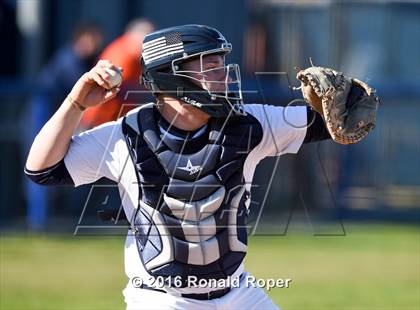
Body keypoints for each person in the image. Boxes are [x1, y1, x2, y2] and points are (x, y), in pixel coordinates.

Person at [25, 25, 333, 309]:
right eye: (211, 67)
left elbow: (333, 125)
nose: (224, 75)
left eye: (222, 65)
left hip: (238, 293)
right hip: (161, 299)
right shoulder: (126, 135)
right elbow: (42, 170)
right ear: (172, 77)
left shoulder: (248, 123)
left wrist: (346, 102)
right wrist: (76, 103)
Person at [24, 22, 103, 230]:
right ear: (81, 38)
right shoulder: (68, 59)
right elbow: (79, 90)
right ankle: (37, 223)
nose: (96, 43)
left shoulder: (85, 60)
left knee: (52, 173)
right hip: (40, 118)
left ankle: (43, 221)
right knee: (38, 170)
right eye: (93, 38)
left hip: (55, 120)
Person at [79, 18, 155, 129]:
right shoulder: (123, 55)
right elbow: (117, 89)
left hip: (110, 121)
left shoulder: (135, 56)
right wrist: (152, 92)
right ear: (132, 37)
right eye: (147, 39)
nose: (150, 45)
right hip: (97, 122)